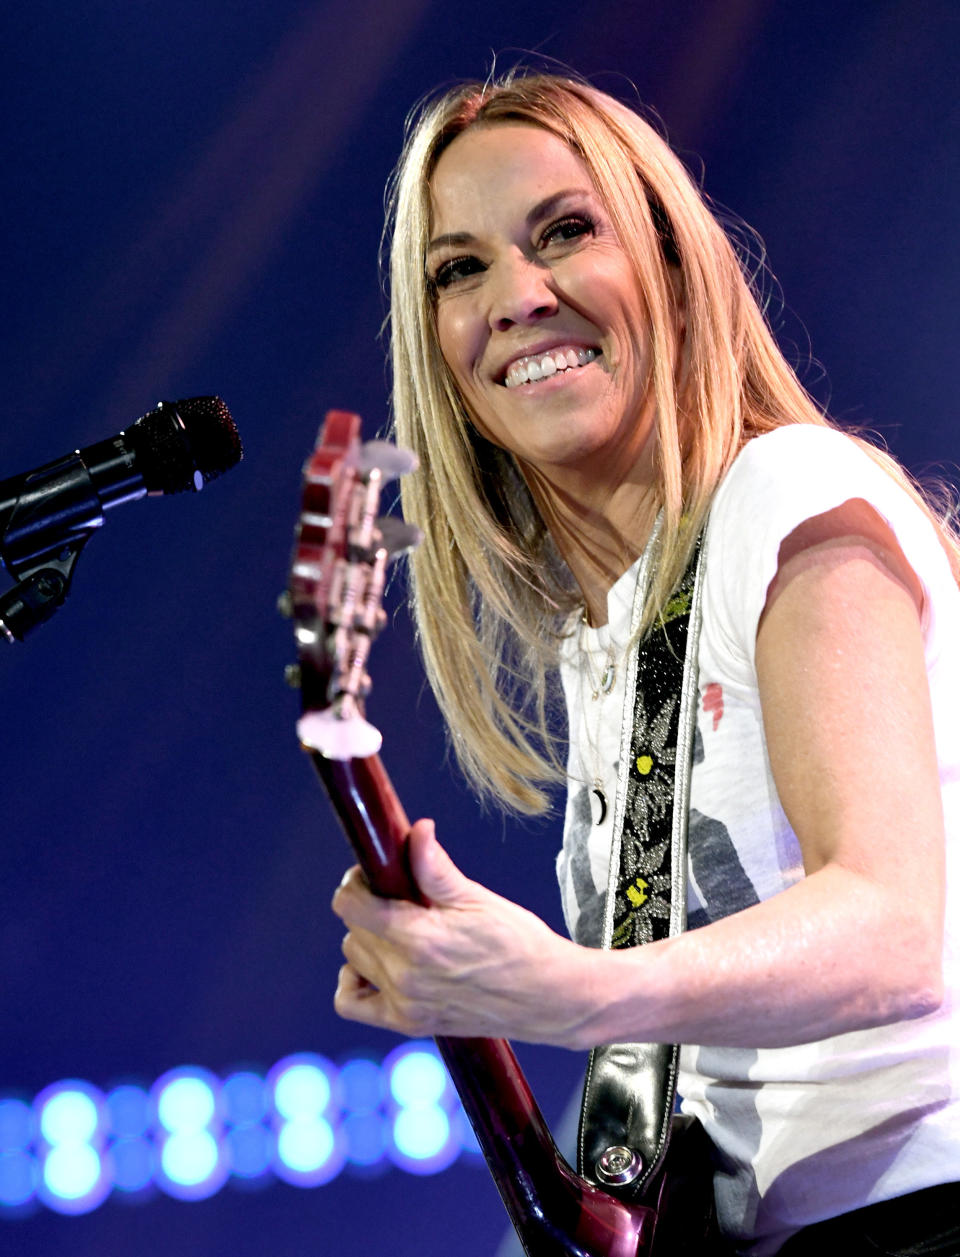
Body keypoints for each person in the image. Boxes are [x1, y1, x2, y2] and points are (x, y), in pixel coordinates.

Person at [330, 69, 960, 1255]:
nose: (518, 296)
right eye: (458, 269)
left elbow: (889, 932)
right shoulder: (611, 634)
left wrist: (558, 988)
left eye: (566, 232)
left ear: (671, 265)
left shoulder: (790, 491)